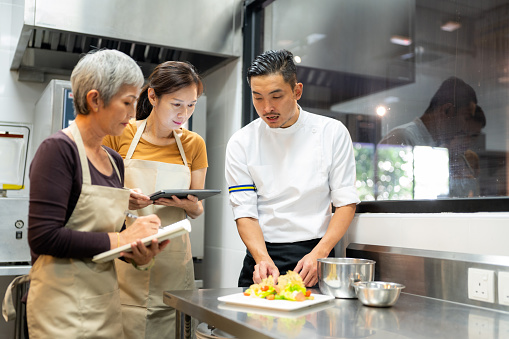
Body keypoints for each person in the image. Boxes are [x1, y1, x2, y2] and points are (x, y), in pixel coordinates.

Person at [19, 49, 168, 338]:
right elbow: (43, 236)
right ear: (95, 99)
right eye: (127, 102)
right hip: (60, 311)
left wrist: (136, 253)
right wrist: (122, 238)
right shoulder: (58, 150)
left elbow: (102, 240)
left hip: (105, 306)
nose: (133, 112)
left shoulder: (114, 160)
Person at [225, 49, 359, 288]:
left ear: (297, 91)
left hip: (314, 256)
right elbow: (244, 211)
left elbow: (345, 202)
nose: (267, 108)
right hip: (262, 257)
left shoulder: (332, 132)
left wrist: (321, 253)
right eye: (258, 97)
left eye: (276, 96)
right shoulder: (241, 142)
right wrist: (262, 258)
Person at [102, 61, 207, 339]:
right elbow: (98, 196)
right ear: (152, 97)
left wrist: (186, 204)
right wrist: (125, 198)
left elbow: (198, 208)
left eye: (191, 105)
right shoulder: (120, 134)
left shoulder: (194, 144)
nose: (184, 114)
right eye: (176, 104)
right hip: (127, 258)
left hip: (173, 262)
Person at [379, 76, 478, 148]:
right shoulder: (403, 137)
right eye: (466, 118)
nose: (465, 127)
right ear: (447, 110)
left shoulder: (433, 145)